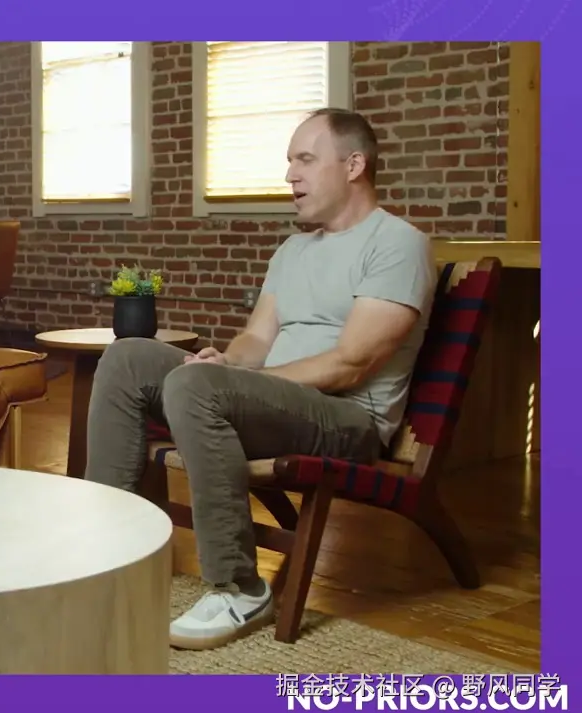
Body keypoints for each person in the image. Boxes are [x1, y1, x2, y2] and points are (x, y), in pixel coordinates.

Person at [85, 108, 436, 650]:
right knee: (127, 356)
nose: (290, 175)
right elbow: (256, 339)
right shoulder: (294, 250)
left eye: (305, 160)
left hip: (347, 419)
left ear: (354, 165)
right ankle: (103, 556)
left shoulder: (397, 244)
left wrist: (235, 384)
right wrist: (226, 363)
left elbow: (351, 363)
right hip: (277, 405)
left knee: (196, 387)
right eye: (289, 161)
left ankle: (240, 587)